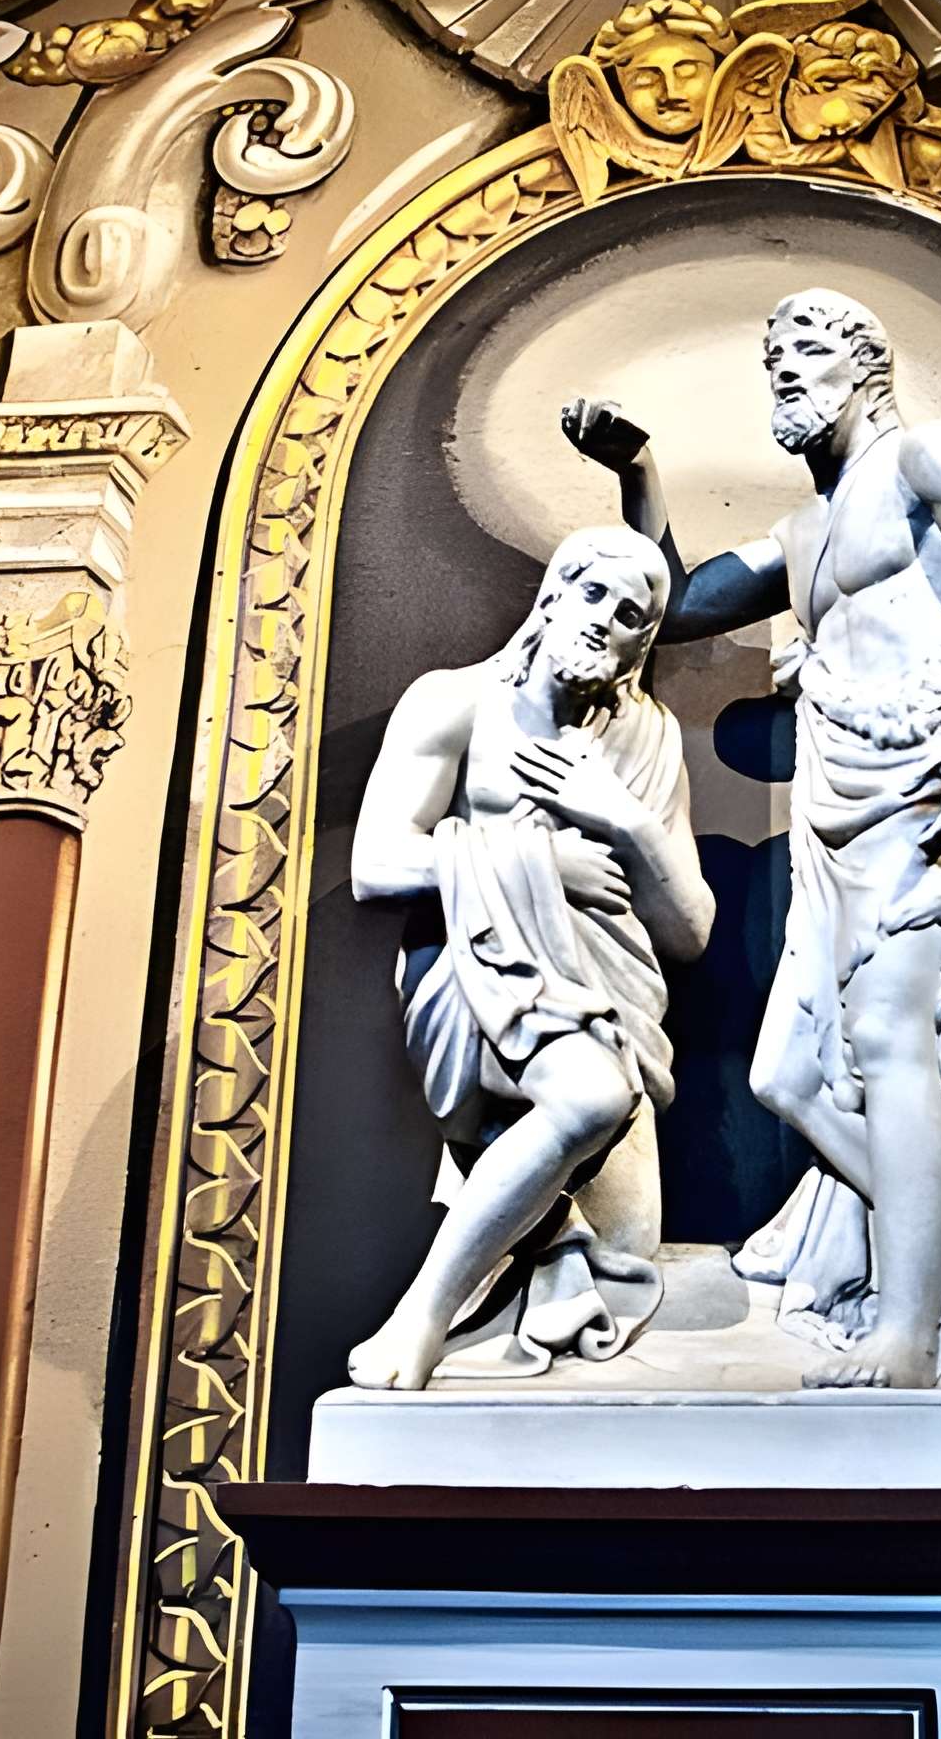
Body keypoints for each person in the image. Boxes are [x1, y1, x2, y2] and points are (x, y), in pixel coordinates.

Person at [563, 287, 941, 1388]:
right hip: (845, 811)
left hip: (933, 783)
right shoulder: (804, 530)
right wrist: (638, 469)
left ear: (866, 363)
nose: (782, 378)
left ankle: (911, 1329)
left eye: (802, 357)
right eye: (771, 363)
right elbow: (674, 605)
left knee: (891, 1045)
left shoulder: (935, 458)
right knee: (789, 1073)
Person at [344, 526, 715, 1390]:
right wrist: (548, 863)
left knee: (625, 1256)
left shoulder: (646, 742)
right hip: (476, 981)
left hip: (606, 1003)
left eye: (631, 616)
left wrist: (619, 817)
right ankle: (419, 1319)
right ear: (551, 596)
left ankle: (548, 1254)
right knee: (591, 1097)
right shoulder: (456, 702)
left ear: (640, 649)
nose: (603, 623)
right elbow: (374, 864)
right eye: (591, 595)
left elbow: (689, 928)